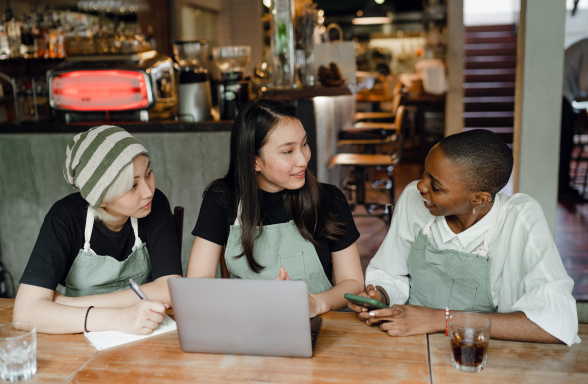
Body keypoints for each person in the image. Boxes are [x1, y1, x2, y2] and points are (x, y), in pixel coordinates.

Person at [348, 129, 580, 346]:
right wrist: (380, 295)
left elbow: (557, 323)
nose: (420, 186)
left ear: (479, 199)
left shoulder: (519, 218)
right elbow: (390, 271)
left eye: (436, 186)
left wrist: (440, 320)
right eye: (424, 174)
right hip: (408, 337)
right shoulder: (414, 198)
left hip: (479, 347)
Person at [187, 99, 364, 317]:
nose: (303, 159)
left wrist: (317, 303)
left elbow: (353, 282)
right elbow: (197, 281)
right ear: (255, 162)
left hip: (322, 324)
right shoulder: (222, 199)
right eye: (288, 151)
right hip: (247, 324)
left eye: (304, 144)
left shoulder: (329, 199)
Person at [13, 126, 183, 335]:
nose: (148, 191)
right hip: (75, 335)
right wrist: (118, 318)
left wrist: (68, 304)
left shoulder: (154, 205)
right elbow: (24, 314)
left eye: (149, 173)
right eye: (132, 186)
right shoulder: (65, 217)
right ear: (100, 199)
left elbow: (169, 289)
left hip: (143, 331)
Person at [559, 36, 588, 202]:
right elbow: (585, 85)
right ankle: (563, 189)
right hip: (561, 96)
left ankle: (563, 188)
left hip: (563, 96)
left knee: (564, 146)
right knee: (564, 146)